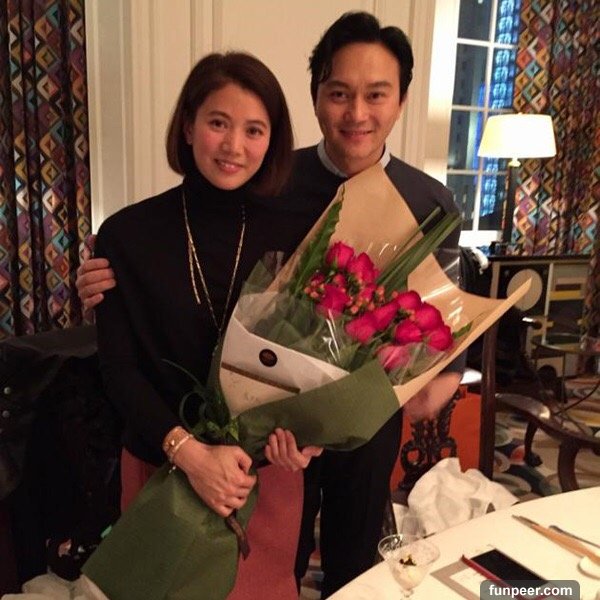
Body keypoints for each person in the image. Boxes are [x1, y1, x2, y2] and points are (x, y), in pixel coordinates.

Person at [78, 12, 464, 598]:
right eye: (340, 93)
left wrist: (312, 426)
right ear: (316, 98)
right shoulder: (275, 190)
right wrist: (101, 286)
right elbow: (127, 356)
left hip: (322, 436)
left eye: (376, 94)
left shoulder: (427, 202)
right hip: (197, 453)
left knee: (348, 567)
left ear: (402, 100)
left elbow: (435, 326)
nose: (357, 113)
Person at [87, 51, 322, 599]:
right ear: (189, 125)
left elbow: (319, 361)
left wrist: (310, 438)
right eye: (219, 123)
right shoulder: (127, 234)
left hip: (260, 477)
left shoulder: (300, 234)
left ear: (272, 140)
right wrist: (191, 455)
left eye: (254, 130)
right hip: (162, 469)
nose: (234, 145)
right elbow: (119, 371)